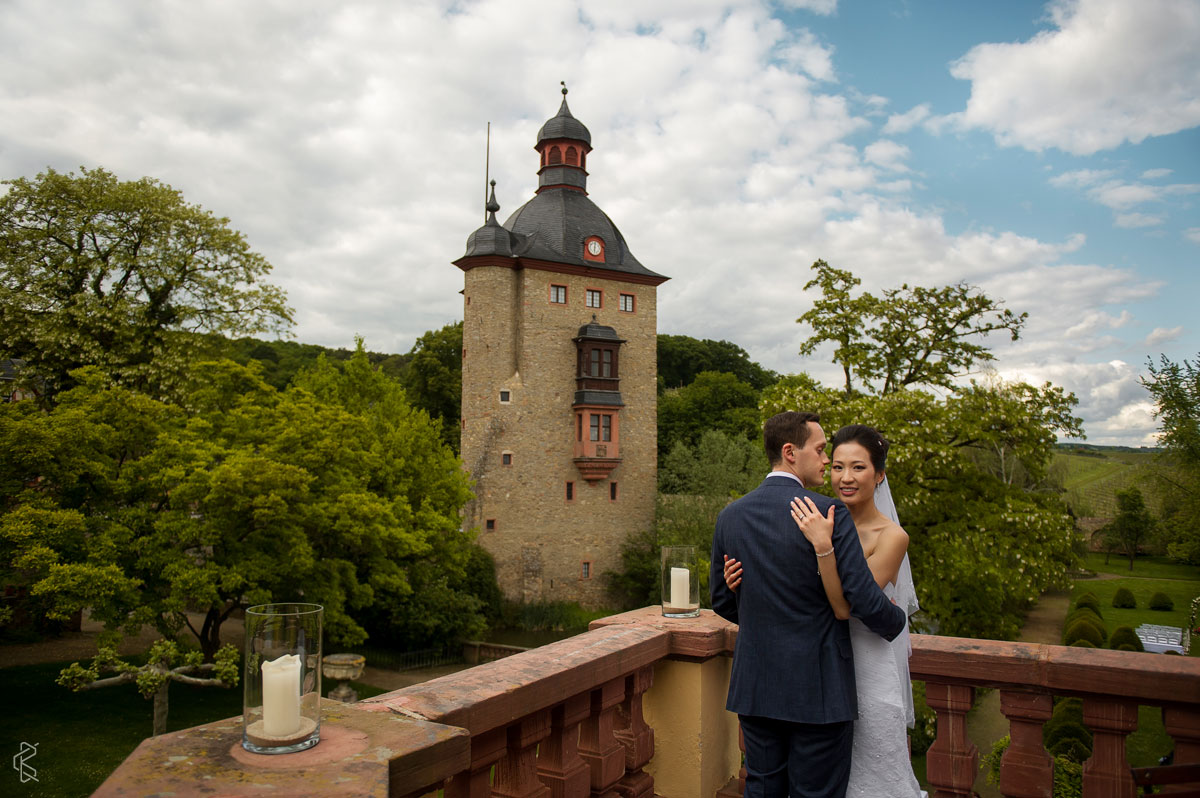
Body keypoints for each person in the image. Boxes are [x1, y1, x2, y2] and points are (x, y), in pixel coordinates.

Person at [710, 411, 906, 798]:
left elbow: (721, 601)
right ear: (789, 452)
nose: (825, 460)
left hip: (757, 687)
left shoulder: (730, 516)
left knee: (763, 789)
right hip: (818, 689)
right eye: (820, 451)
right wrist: (896, 619)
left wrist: (748, 598)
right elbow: (863, 600)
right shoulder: (827, 513)